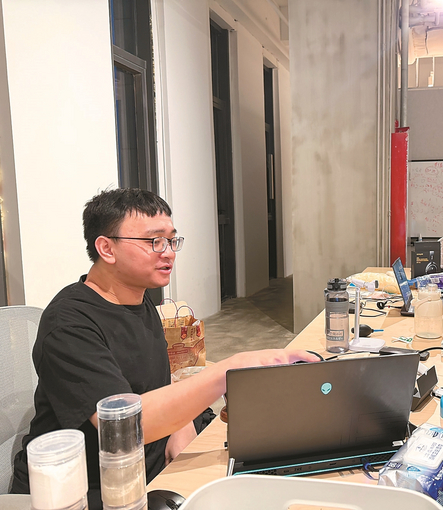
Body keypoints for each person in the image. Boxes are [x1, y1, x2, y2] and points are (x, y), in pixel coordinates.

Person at [10, 188, 317, 508]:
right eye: (154, 241)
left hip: (154, 465)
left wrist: (182, 430)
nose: (168, 252)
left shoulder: (138, 298)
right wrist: (228, 370)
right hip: (91, 491)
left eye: (171, 240)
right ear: (107, 248)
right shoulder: (68, 325)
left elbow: (155, 380)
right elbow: (123, 426)